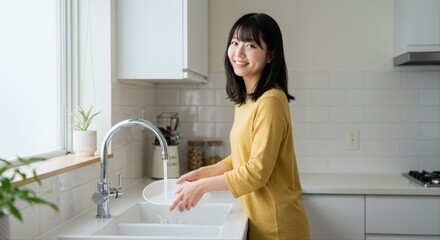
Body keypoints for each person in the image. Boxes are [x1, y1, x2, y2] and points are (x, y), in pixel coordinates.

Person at [169, 13, 311, 240]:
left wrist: (203, 186)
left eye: (251, 45)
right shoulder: (246, 101)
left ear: (270, 56)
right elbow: (240, 158)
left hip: (278, 226)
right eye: (234, 43)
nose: (239, 52)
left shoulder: (271, 100)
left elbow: (257, 172)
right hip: (260, 221)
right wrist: (200, 175)